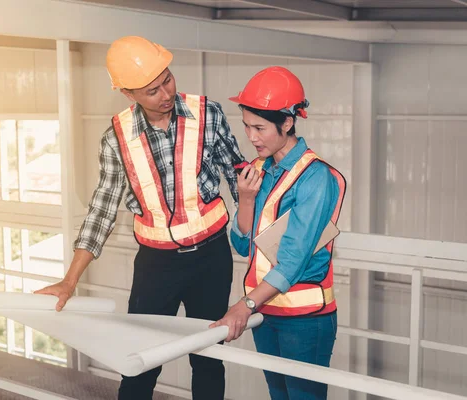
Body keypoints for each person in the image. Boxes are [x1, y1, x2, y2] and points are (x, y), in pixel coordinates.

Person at [34, 36, 246, 400]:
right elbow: (101, 209)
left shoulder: (208, 114)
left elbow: (240, 177)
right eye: (151, 90)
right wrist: (70, 281)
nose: (165, 93)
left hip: (212, 257)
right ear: (129, 95)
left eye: (167, 79)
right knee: (139, 361)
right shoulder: (116, 139)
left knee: (209, 358)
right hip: (156, 265)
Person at [210, 66, 346, 400]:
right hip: (266, 312)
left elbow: (294, 260)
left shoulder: (317, 179)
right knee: (278, 396)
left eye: (259, 127)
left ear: (287, 122)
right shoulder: (258, 170)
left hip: (304, 319)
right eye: (246, 126)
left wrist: (243, 305)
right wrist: (244, 200)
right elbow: (243, 246)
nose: (251, 137)